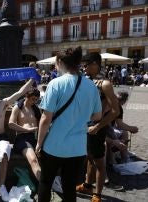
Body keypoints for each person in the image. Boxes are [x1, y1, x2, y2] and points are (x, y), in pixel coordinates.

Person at [36, 47, 102, 202]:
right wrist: (82, 115)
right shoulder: (91, 85)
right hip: (78, 147)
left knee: (46, 182)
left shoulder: (55, 84)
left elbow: (45, 119)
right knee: (70, 186)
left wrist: (39, 143)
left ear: (59, 62)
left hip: (53, 145)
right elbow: (97, 115)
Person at [76, 52, 120, 202]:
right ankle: (88, 185)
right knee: (89, 157)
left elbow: (115, 111)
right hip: (84, 126)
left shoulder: (105, 84)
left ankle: (98, 194)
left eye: (86, 65)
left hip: (96, 127)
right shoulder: (86, 80)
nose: (84, 67)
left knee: (99, 162)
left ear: (95, 64)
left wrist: (98, 126)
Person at [8, 89, 41, 180]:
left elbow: (42, 125)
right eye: (33, 99)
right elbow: (11, 124)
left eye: (36, 100)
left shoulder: (36, 109)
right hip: (22, 138)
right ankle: (44, 188)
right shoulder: (18, 107)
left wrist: (40, 142)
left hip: (35, 138)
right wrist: (27, 129)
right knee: (33, 160)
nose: (34, 102)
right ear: (27, 97)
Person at [106, 91, 138, 164]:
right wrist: (131, 128)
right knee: (113, 136)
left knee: (124, 133)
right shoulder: (108, 105)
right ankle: (112, 161)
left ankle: (124, 157)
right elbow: (116, 125)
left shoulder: (118, 107)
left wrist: (130, 128)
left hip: (108, 127)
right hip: (103, 128)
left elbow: (119, 124)